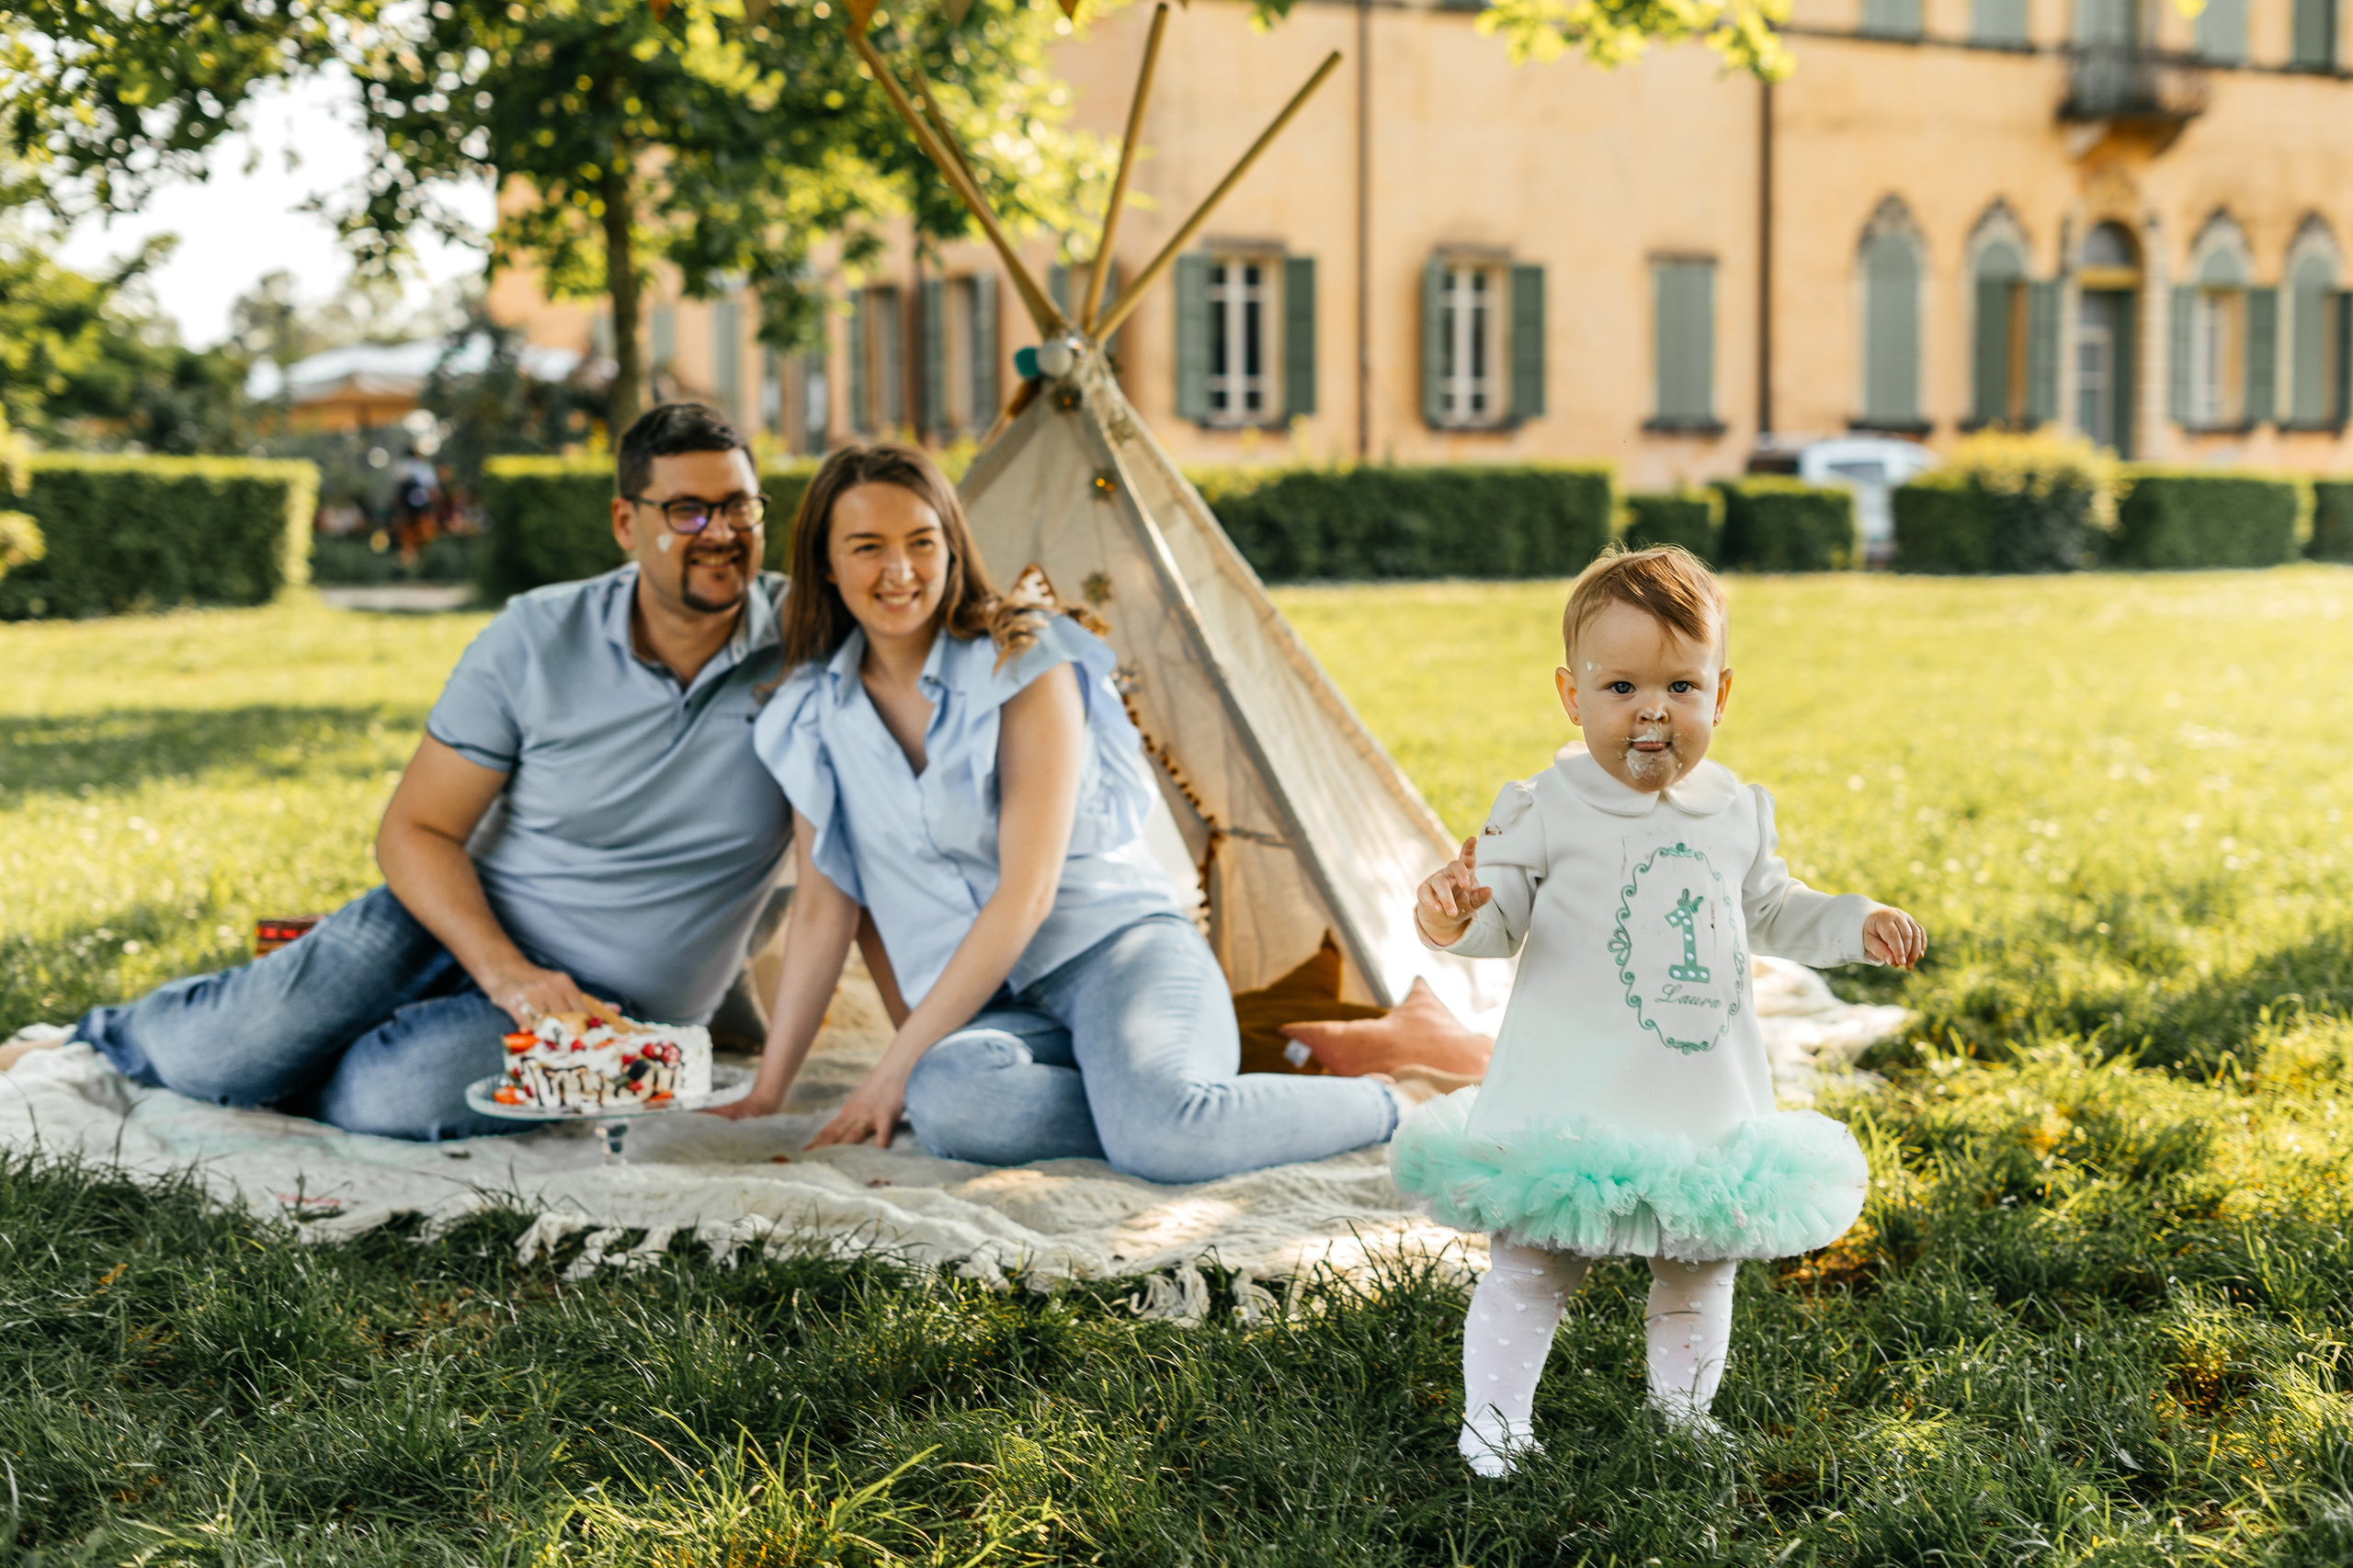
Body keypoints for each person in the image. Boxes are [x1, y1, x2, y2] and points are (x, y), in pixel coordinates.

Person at [0, 404, 792, 1140]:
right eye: (688, 510)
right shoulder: (535, 638)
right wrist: (510, 975)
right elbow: (418, 829)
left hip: (625, 1014)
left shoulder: (809, 645)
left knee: (402, 1095)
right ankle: (97, 1040)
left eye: (740, 507)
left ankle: (289, 1068)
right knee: (229, 1050)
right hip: (449, 926)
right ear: (627, 522)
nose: (719, 532)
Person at [711, 442, 1416, 1184]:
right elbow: (826, 910)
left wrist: (891, 1070)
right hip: (994, 1016)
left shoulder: (1022, 657)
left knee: (1158, 1138)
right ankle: (1157, 1109)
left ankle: (1394, 1103)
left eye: (923, 542)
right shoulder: (809, 716)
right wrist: (768, 1093)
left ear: (953, 548)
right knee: (949, 1101)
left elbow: (1029, 891)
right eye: (867, 547)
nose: (901, 571)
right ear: (825, 563)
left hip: (1118, 954)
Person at [1389, 545, 1927, 1476]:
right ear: (1570, 694)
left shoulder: (1733, 809)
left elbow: (1771, 908)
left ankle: (1681, 1410)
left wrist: (1853, 922)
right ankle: (1495, 1422)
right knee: (1532, 1261)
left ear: (1722, 693)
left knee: (1697, 1263)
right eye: (1620, 685)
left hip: (1695, 1093)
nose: (1651, 709)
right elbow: (1499, 921)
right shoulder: (1541, 805)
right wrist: (1453, 915)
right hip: (1570, 1087)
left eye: (1681, 684)